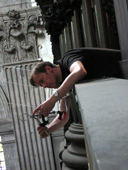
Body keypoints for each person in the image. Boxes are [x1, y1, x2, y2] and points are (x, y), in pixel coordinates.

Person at [30, 48, 88, 138]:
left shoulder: (67, 59)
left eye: (42, 80)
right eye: (41, 85)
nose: (44, 86)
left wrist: (52, 100)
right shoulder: (63, 86)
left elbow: (80, 71)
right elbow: (63, 116)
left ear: (48, 69)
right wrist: (48, 129)